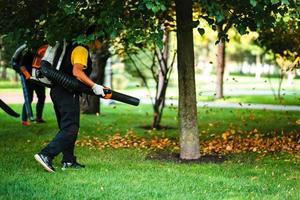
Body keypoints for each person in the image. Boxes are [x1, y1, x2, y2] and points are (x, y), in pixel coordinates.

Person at [34, 29, 105, 173]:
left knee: (66, 127)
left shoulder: (70, 47)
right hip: (67, 92)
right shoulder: (81, 49)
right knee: (71, 127)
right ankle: (46, 155)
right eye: (101, 41)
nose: (101, 45)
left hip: (57, 91)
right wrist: (94, 86)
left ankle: (68, 160)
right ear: (94, 38)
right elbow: (77, 72)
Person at [16, 47, 46, 126]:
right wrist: (28, 76)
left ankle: (39, 118)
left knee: (42, 97)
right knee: (29, 98)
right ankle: (24, 120)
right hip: (28, 79)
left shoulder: (44, 52)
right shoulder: (29, 52)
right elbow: (22, 66)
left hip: (39, 79)